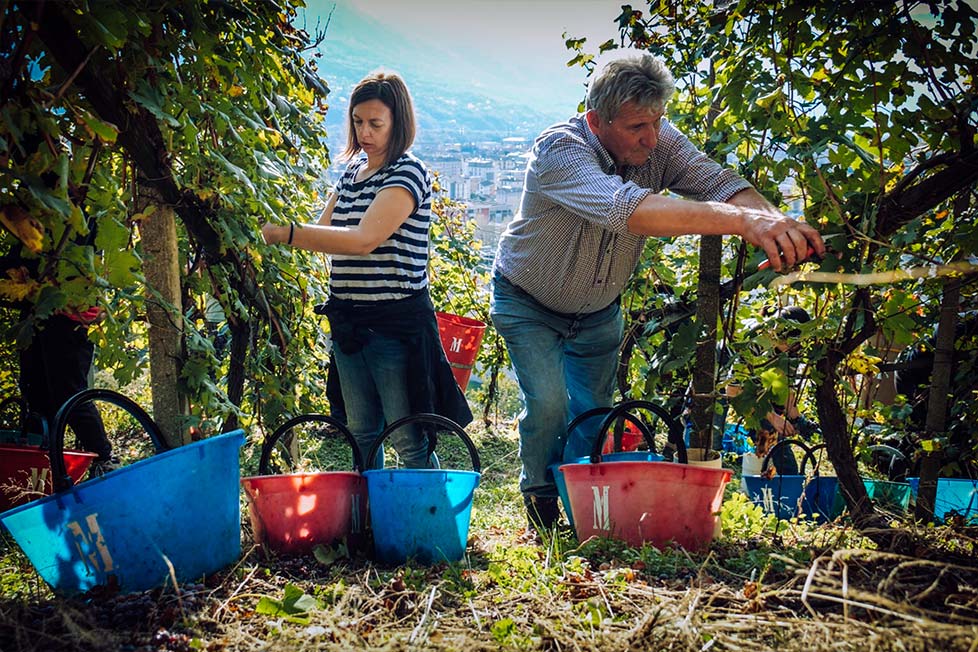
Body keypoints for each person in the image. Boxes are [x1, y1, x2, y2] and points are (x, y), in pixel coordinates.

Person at [490, 49, 825, 534]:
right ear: (596, 120)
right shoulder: (558, 151)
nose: (652, 137)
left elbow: (719, 183)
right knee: (546, 404)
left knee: (592, 414)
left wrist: (775, 224)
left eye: (657, 121)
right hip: (527, 300)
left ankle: (582, 508)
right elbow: (629, 210)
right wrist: (742, 222)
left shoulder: (658, 139)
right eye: (636, 127)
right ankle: (539, 495)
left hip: (600, 310)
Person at [262, 70, 471, 468]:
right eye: (358, 122)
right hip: (349, 321)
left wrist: (285, 233)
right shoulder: (352, 171)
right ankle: (371, 520)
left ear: (398, 124)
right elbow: (324, 231)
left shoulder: (407, 173)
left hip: (394, 324)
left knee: (408, 436)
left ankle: (423, 524)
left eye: (376, 123)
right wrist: (290, 228)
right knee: (362, 432)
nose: (365, 133)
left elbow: (361, 240)